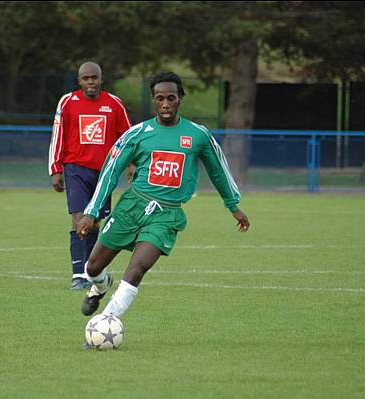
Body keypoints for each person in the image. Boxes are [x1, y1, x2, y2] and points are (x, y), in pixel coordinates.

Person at [77, 71, 250, 322]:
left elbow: (218, 170)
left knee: (137, 269)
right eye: (160, 98)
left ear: (180, 98)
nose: (165, 103)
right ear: (153, 100)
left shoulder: (198, 135)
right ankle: (100, 286)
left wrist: (233, 205)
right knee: (92, 267)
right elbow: (110, 171)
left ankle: (106, 321)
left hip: (166, 215)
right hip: (132, 207)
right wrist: (91, 212)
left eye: (171, 97)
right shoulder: (137, 134)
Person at [48, 61, 132, 290]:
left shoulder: (114, 104)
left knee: (93, 222)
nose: (91, 82)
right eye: (86, 78)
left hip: (105, 172)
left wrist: (131, 162)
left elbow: (127, 137)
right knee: (78, 218)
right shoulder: (67, 102)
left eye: (94, 78)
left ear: (101, 78)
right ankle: (77, 275)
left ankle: (89, 272)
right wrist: (55, 169)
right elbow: (58, 135)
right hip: (75, 168)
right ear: (79, 80)